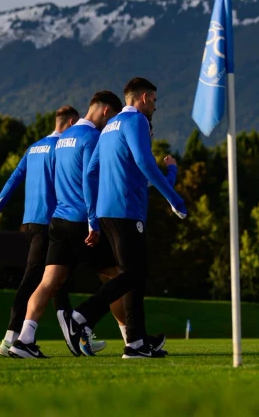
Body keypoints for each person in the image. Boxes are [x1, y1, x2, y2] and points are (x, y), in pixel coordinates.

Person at [59, 77, 188, 359]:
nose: (155, 107)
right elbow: (144, 162)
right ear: (143, 97)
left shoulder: (108, 128)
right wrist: (174, 199)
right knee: (133, 274)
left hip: (107, 213)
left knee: (134, 276)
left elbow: (91, 173)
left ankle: (136, 343)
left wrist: (94, 217)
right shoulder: (137, 121)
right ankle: (81, 316)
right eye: (154, 100)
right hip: (127, 212)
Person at [9, 91, 129, 358]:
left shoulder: (63, 138)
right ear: (106, 111)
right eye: (111, 118)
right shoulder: (93, 138)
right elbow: (90, 179)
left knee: (48, 283)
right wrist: (94, 222)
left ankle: (24, 340)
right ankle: (131, 340)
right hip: (81, 222)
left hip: (58, 221)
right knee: (116, 277)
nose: (109, 125)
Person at [0, 106, 82, 357]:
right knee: (36, 279)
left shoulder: (34, 147)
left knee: (56, 279)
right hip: (51, 222)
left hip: (30, 222)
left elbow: (13, 179)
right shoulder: (62, 148)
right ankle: (11, 337)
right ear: (71, 123)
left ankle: (79, 339)